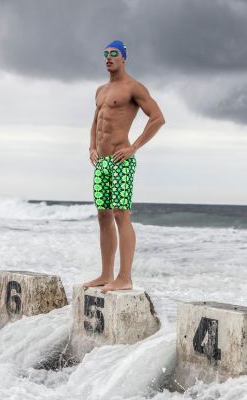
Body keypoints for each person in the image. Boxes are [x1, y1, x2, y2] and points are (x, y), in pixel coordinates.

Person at [83, 40, 165, 293]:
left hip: (121, 161)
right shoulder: (100, 90)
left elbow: (158, 118)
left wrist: (134, 147)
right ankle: (106, 274)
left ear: (124, 58)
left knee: (121, 213)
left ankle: (124, 277)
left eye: (114, 54)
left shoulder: (133, 87)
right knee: (103, 215)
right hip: (102, 162)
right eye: (106, 54)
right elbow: (96, 122)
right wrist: (91, 148)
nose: (108, 58)